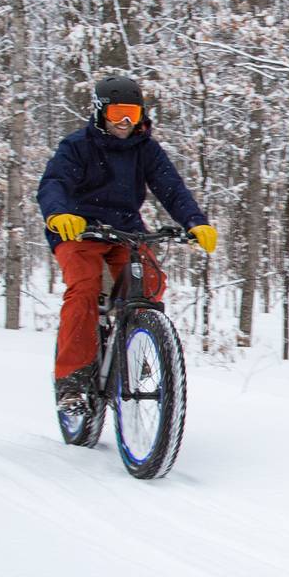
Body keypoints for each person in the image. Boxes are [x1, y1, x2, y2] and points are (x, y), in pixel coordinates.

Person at [37, 74, 218, 409]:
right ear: (100, 112)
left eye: (132, 115)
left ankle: (132, 342)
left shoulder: (145, 150)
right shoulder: (77, 146)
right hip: (78, 229)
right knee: (85, 287)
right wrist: (59, 213)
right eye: (118, 113)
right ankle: (73, 381)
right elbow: (54, 183)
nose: (124, 122)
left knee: (150, 282)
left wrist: (195, 222)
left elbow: (171, 188)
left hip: (125, 230)